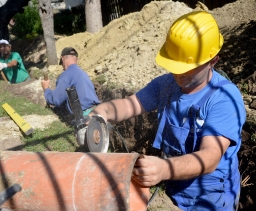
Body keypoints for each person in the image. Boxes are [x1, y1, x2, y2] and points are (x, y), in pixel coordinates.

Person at [89, 11, 246, 211]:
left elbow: (210, 157)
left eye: (187, 67)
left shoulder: (224, 98)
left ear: (212, 61)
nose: (178, 73)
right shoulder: (165, 85)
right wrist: (101, 112)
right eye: (175, 65)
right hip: (174, 187)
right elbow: (130, 104)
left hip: (211, 198)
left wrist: (164, 168)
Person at [41, 47, 100, 115]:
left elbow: (55, 100)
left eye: (62, 64)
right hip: (97, 110)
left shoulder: (66, 75)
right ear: (77, 60)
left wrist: (46, 88)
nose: (63, 67)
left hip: (84, 116)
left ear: (62, 58)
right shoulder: (83, 73)